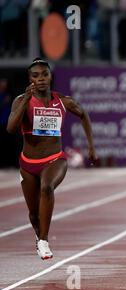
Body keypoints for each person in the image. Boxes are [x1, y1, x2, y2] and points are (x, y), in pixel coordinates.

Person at [6, 58, 97, 260]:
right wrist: (26, 101)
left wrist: (91, 146)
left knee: (47, 187)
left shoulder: (62, 101)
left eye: (44, 75)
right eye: (35, 76)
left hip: (55, 159)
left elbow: (83, 114)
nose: (41, 79)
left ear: (50, 77)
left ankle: (44, 240)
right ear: (30, 79)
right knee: (33, 215)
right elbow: (11, 128)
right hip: (28, 165)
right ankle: (40, 239)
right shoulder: (21, 101)